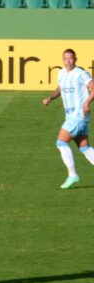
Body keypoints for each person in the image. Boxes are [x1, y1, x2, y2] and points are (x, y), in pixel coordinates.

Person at [42, 49, 94, 189]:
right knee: (84, 147)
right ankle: (72, 175)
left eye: (70, 58)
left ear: (75, 59)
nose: (68, 61)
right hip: (73, 116)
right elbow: (60, 89)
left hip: (77, 116)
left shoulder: (81, 74)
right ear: (62, 60)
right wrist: (50, 98)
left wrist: (86, 103)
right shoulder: (61, 73)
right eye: (65, 58)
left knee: (61, 142)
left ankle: (72, 175)